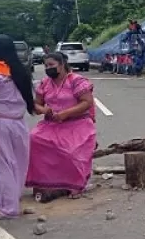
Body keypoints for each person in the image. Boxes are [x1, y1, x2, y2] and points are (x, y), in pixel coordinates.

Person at [27, 53, 96, 202]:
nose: (48, 68)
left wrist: (65, 114)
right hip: (52, 124)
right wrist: (44, 110)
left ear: (62, 64)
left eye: (51, 65)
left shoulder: (76, 81)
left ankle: (75, 184)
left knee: (71, 151)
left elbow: (86, 102)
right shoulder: (45, 83)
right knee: (34, 139)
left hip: (77, 123)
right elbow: (36, 104)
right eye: (45, 66)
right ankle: (45, 182)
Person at [0, 35, 35, 220]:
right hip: (18, 122)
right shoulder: (20, 70)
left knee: (0, 165)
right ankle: (13, 201)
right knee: (18, 164)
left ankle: (6, 206)